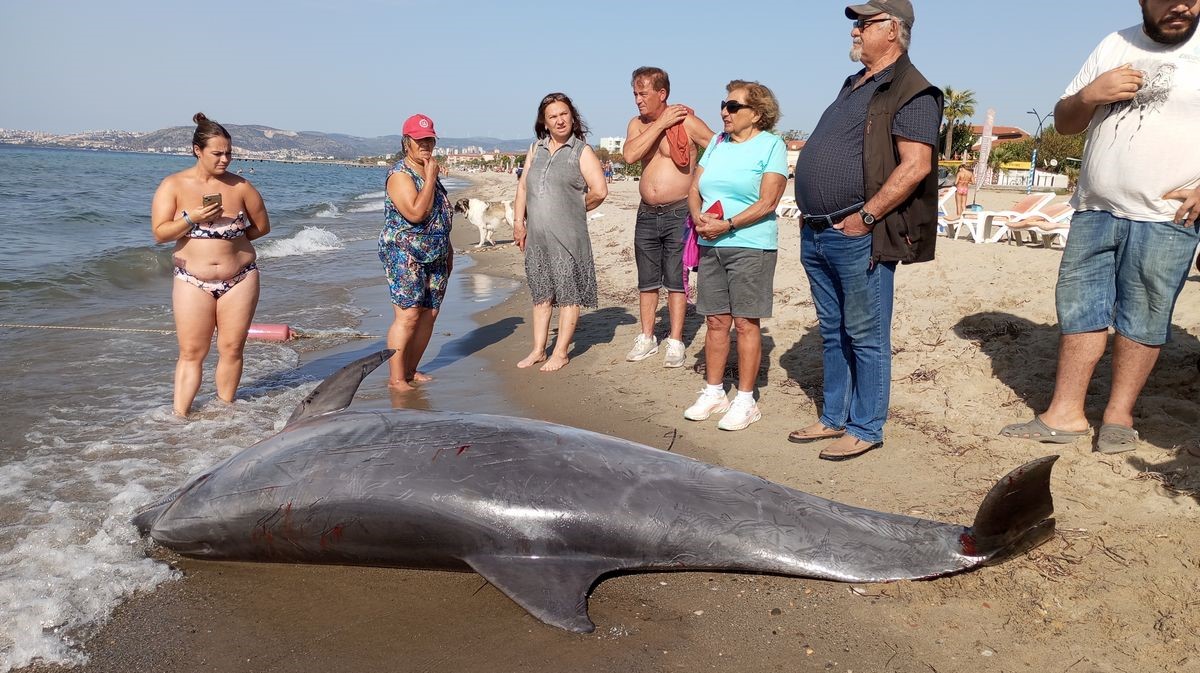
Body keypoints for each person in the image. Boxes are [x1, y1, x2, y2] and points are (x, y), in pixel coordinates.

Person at [1001, 0, 1200, 454]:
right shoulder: (1114, 43)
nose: (1183, 7)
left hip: (1166, 216)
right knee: (1080, 309)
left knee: (1144, 316)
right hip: (1095, 207)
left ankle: (1118, 416)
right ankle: (1064, 413)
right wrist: (1091, 94)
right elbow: (1067, 122)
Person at [789, 0, 943, 460]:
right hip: (818, 230)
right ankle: (834, 418)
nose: (855, 31)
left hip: (858, 232)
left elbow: (915, 166)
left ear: (892, 29)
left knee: (867, 333)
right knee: (833, 331)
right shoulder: (855, 84)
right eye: (856, 24)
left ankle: (866, 426)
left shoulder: (912, 89)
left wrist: (867, 216)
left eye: (864, 23)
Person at [682, 81, 788, 432]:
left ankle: (746, 399)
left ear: (756, 113)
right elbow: (695, 187)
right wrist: (698, 217)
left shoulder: (771, 145)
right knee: (715, 321)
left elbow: (768, 202)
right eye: (723, 105)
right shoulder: (716, 143)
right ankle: (714, 392)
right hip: (711, 244)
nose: (724, 112)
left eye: (732, 106)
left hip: (750, 244)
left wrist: (726, 225)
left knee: (745, 322)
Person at [151, 112, 271, 417]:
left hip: (240, 278)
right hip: (192, 279)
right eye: (217, 153)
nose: (225, 159)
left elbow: (262, 227)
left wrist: (232, 239)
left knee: (231, 349)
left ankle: (224, 416)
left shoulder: (241, 186)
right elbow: (159, 233)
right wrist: (193, 219)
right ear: (197, 150)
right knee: (192, 352)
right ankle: (179, 418)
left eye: (229, 153)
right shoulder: (173, 185)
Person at [622, 66, 716, 368]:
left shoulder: (686, 121)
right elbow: (630, 155)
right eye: (635, 93)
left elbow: (717, 147)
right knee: (647, 281)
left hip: (678, 211)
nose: (638, 99)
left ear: (662, 94)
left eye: (644, 93)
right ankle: (647, 337)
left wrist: (703, 189)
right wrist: (660, 123)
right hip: (646, 212)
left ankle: (675, 341)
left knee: (676, 280)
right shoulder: (637, 125)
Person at [512, 93, 608, 372]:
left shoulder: (582, 151)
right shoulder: (535, 149)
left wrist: (574, 207)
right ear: (545, 121)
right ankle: (538, 350)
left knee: (568, 294)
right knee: (541, 295)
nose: (559, 120)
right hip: (537, 237)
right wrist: (519, 222)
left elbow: (600, 191)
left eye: (564, 114)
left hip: (568, 237)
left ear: (572, 116)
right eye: (553, 116)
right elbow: (523, 188)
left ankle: (561, 352)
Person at [378, 114, 454, 392]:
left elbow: (439, 217)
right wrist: (432, 177)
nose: (425, 144)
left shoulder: (427, 170)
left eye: (429, 139)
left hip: (437, 256)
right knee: (408, 315)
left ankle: (410, 369)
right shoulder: (401, 174)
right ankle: (396, 378)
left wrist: (449, 253)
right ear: (406, 142)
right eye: (419, 140)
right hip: (405, 255)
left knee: (428, 314)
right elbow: (416, 212)